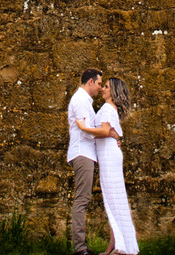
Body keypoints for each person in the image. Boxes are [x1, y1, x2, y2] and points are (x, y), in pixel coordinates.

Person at [76, 77, 138, 255]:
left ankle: (121, 247)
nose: (103, 89)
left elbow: (104, 131)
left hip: (109, 157)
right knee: (114, 201)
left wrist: (83, 128)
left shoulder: (106, 108)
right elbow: (109, 132)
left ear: (114, 92)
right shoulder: (111, 109)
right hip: (109, 155)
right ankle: (116, 246)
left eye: (106, 87)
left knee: (114, 201)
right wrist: (112, 135)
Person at [67, 68, 103, 255]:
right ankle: (80, 249)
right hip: (83, 153)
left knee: (83, 199)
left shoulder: (84, 100)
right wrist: (107, 133)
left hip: (86, 153)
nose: (99, 88)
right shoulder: (81, 100)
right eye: (98, 83)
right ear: (90, 82)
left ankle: (81, 247)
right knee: (82, 199)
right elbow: (85, 129)